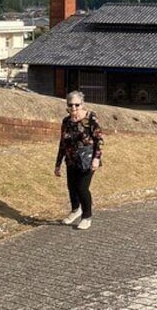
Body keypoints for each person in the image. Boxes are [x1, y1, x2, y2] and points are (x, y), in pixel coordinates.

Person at [54, 90, 103, 230]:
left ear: (82, 104)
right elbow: (63, 143)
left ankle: (87, 216)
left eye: (77, 104)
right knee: (71, 187)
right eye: (71, 105)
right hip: (71, 159)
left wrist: (96, 159)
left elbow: (99, 139)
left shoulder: (90, 118)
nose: (74, 108)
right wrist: (58, 164)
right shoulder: (66, 121)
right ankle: (76, 209)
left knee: (82, 188)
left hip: (88, 159)